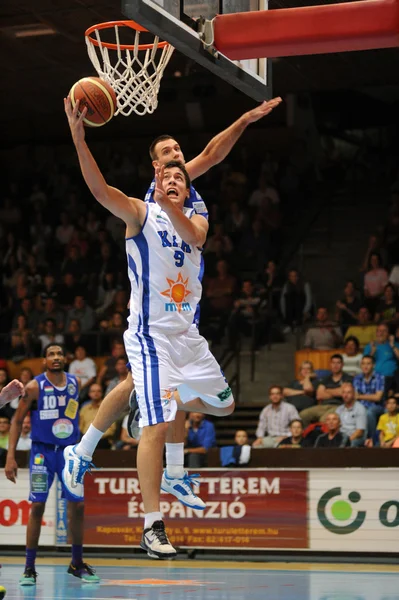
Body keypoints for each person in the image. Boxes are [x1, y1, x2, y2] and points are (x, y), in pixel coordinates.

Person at [61, 95, 285, 559]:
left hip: (187, 334)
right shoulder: (143, 209)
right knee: (156, 419)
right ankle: (151, 520)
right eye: (168, 157)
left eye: (181, 156)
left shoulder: (194, 206)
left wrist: (243, 118)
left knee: (221, 406)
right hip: (151, 331)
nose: (178, 159)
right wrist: (80, 138)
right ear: (155, 171)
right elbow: (100, 189)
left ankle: (110, 455)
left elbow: (209, 177)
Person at [4, 344, 99, 585]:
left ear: (65, 358)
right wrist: (10, 456)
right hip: (41, 454)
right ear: (44, 360)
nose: (56, 357)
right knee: (37, 506)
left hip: (69, 454)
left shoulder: (75, 383)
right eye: (51, 354)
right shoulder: (35, 387)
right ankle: (29, 568)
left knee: (78, 507)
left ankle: (76, 563)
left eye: (59, 353)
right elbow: (16, 421)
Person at [299, 354, 352, 427]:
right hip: (323, 406)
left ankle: (323, 438)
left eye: (338, 363)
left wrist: (327, 390)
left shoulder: (348, 378)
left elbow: (343, 393)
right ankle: (307, 436)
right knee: (303, 415)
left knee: (324, 419)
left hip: (339, 406)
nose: (335, 365)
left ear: (342, 365)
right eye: (333, 363)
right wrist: (336, 391)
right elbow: (319, 395)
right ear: (330, 364)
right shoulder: (325, 378)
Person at [353, 355, 384, 441]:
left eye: (368, 364)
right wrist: (368, 396)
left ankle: (371, 439)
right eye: (363, 364)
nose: (365, 366)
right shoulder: (357, 378)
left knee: (369, 412)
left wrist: (360, 396)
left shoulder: (379, 377)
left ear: (373, 365)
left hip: (377, 406)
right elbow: (355, 396)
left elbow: (378, 397)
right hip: (360, 405)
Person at [79, 383, 117, 449]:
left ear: (102, 393)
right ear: (89, 394)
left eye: (98, 391)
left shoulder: (108, 408)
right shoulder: (84, 409)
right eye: (93, 391)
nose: (96, 393)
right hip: (86, 439)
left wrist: (95, 436)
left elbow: (112, 429)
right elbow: (80, 427)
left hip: (102, 440)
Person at [336, 383, 367, 447]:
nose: (346, 395)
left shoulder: (360, 408)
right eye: (344, 393)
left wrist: (346, 442)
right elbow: (336, 428)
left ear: (353, 395)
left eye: (348, 392)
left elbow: (359, 432)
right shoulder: (339, 409)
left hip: (355, 437)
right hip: (341, 437)